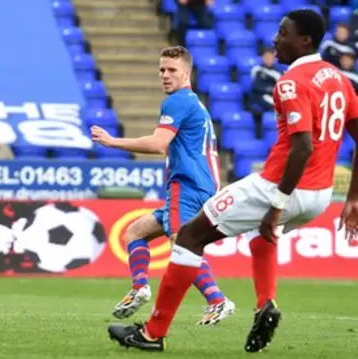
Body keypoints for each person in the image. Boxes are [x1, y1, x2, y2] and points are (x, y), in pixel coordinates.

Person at [107, 9, 358, 353]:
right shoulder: (339, 78)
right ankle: (265, 303)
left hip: (278, 185)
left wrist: (278, 203)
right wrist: (353, 199)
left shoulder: (289, 83)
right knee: (262, 234)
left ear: (306, 40)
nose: (275, 39)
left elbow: (302, 147)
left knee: (190, 237)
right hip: (319, 194)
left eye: (283, 33)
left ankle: (152, 333)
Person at [91, 45, 235, 326]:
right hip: (197, 186)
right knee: (135, 232)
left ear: (187, 73)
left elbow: (159, 143)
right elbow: (171, 147)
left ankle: (217, 300)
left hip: (189, 186)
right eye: (161, 70)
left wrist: (113, 142)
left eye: (172, 70)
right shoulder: (195, 104)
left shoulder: (178, 101)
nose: (165, 75)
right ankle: (139, 288)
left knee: (182, 246)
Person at [249, 48, 282, 114]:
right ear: (263, 58)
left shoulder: (278, 72)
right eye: (267, 57)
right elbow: (256, 86)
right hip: (260, 96)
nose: (268, 59)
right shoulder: (257, 70)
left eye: (271, 57)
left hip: (274, 96)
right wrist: (270, 89)